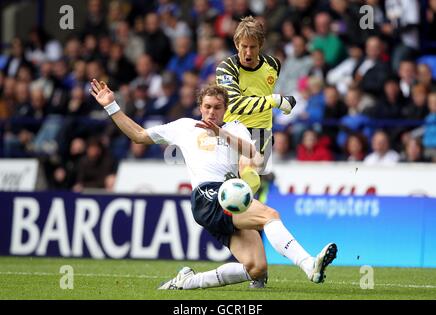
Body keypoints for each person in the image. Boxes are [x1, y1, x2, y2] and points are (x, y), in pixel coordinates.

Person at [90, 79, 337, 291]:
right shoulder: (184, 127)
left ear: (225, 109)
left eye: (217, 108)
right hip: (207, 195)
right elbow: (139, 135)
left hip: (231, 195)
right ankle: (308, 264)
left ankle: (187, 281)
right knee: (270, 215)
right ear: (200, 107)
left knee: (257, 268)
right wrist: (111, 106)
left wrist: (221, 133)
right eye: (207, 107)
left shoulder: (235, 128)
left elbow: (250, 151)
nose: (211, 112)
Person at [215, 16, 296, 189]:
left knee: (251, 185)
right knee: (233, 185)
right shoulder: (226, 68)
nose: (249, 53)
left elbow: (263, 92)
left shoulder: (273, 65)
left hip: (262, 133)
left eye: (253, 47)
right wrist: (276, 101)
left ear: (261, 45)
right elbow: (235, 104)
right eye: (244, 47)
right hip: (234, 129)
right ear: (237, 44)